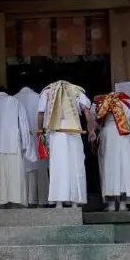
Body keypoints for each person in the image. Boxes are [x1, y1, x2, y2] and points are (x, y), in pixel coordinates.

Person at [36, 80, 94, 208]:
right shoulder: (77, 91)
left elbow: (40, 113)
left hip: (56, 132)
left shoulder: (47, 92)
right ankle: (75, 202)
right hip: (73, 130)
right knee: (75, 164)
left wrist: (40, 131)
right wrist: (91, 130)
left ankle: (59, 202)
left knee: (58, 165)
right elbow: (87, 113)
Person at [94, 90, 130, 211]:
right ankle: (123, 204)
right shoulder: (129, 102)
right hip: (124, 137)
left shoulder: (100, 103)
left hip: (107, 136)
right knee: (124, 168)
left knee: (108, 168)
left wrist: (92, 134)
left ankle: (110, 204)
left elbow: (94, 123)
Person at [0, 87, 33, 207]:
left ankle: (0, 202)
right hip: (13, 144)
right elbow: (23, 123)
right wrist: (25, 145)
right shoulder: (14, 101)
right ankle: (17, 201)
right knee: (15, 175)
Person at [15, 86, 48, 207]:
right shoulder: (39, 97)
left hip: (22, 140)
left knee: (25, 168)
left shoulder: (15, 99)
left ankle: (26, 200)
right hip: (38, 137)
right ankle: (42, 200)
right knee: (40, 168)